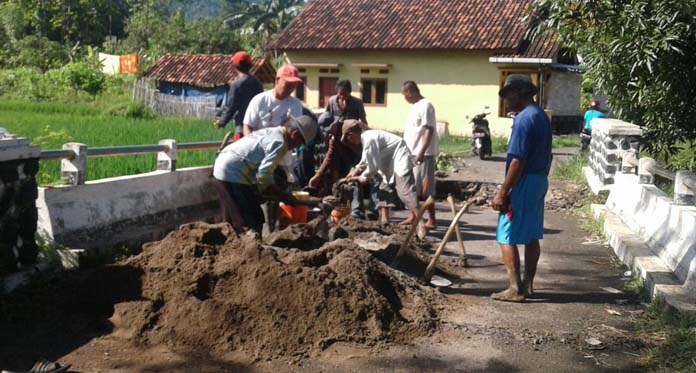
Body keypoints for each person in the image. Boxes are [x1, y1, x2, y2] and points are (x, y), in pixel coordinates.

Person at [491, 74, 552, 302]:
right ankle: (528, 284)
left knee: (505, 234)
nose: (506, 100)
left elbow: (517, 161)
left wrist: (502, 192)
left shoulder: (524, 119)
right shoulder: (541, 116)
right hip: (539, 179)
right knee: (531, 235)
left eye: (508, 94)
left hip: (524, 180)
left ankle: (515, 289)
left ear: (520, 93)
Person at [213, 115, 318, 233]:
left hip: (222, 165)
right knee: (252, 220)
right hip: (232, 173)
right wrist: (284, 196)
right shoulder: (280, 143)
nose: (295, 148)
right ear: (294, 134)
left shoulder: (274, 131)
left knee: (230, 216)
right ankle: (249, 248)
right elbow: (263, 174)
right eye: (299, 144)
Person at [342, 122, 419, 226]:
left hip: (400, 157)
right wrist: (356, 170)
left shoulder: (369, 140)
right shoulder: (366, 138)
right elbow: (366, 159)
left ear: (351, 135)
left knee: (404, 191)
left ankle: (420, 222)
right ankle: (384, 221)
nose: (350, 143)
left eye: (348, 140)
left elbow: (373, 168)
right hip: (389, 162)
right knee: (384, 189)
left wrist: (358, 177)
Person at [401, 81, 439, 229]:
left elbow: (428, 129)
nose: (405, 99)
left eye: (405, 95)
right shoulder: (415, 107)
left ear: (410, 92)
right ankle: (413, 215)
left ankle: (432, 219)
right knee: (412, 186)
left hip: (422, 153)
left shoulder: (426, 105)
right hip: (411, 152)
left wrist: (422, 151)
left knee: (425, 188)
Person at [214, 51, 264, 141]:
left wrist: (221, 122)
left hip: (242, 129)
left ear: (235, 66)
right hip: (257, 130)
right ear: (250, 66)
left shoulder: (236, 84)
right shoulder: (258, 84)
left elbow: (231, 107)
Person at [243, 64, 304, 135]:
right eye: (288, 85)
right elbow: (247, 127)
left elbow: (295, 132)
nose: (291, 89)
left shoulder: (296, 104)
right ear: (277, 80)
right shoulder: (260, 100)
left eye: (294, 85)